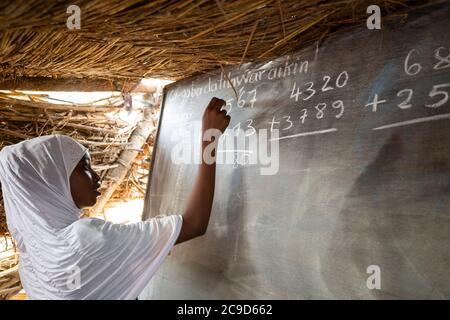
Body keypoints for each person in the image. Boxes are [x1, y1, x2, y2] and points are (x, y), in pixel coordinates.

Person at [0, 97, 230, 299]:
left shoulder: (30, 258)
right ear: (54, 180)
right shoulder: (83, 240)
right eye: (84, 167)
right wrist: (209, 139)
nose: (97, 177)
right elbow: (194, 223)